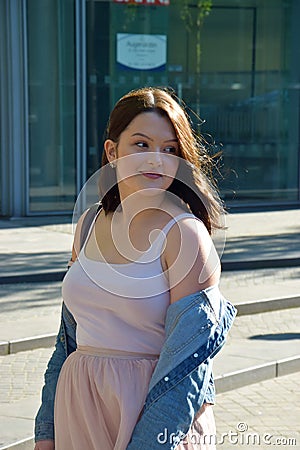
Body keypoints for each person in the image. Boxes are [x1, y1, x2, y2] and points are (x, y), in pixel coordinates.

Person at [34, 87, 236, 450]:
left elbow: (187, 369)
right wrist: (46, 430)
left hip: (155, 414)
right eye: (141, 144)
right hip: (80, 404)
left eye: (170, 149)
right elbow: (66, 340)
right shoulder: (89, 224)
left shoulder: (185, 235)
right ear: (113, 152)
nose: (156, 160)